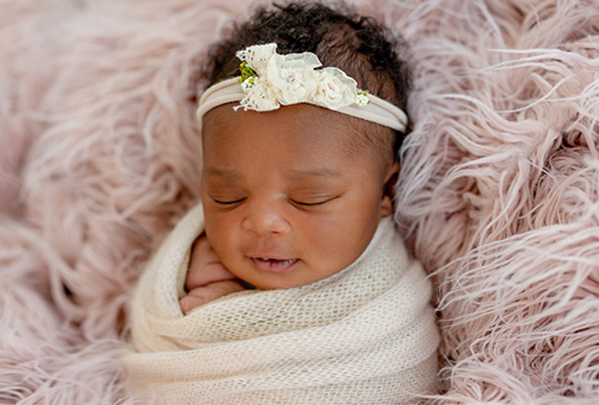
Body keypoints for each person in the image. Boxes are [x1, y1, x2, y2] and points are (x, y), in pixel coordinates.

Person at [124, 3, 439, 404]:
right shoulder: (196, 267)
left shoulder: (387, 314)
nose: (262, 222)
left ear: (385, 193)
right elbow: (159, 344)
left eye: (310, 198)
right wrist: (211, 309)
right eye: (227, 197)